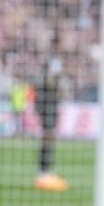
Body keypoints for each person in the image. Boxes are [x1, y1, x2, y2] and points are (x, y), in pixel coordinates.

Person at [33, 33, 69, 192]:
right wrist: (57, 91)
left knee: (48, 136)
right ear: (57, 44)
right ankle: (44, 173)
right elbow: (49, 80)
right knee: (48, 136)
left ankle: (44, 172)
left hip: (43, 99)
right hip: (47, 100)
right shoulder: (54, 60)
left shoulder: (50, 59)